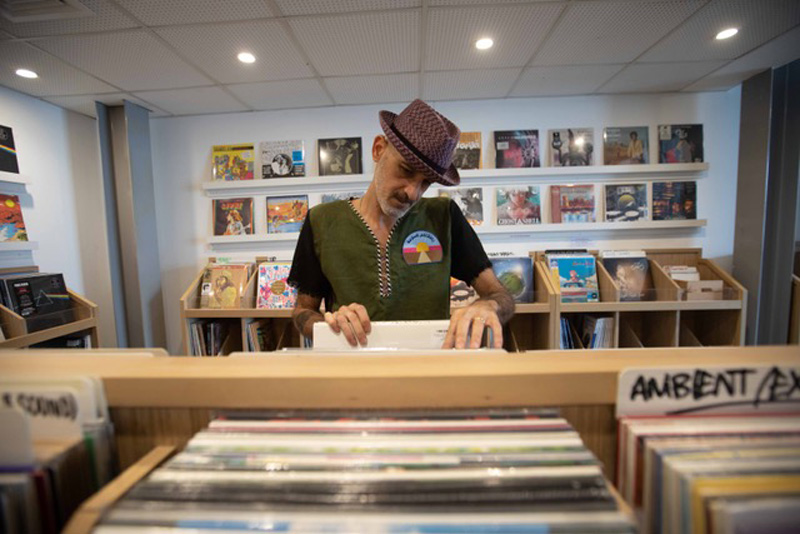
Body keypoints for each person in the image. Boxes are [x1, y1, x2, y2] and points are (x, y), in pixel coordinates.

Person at [288, 99, 514, 349]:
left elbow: (500, 294)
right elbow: (302, 312)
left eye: (426, 182)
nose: (413, 192)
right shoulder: (322, 221)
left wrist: (486, 305)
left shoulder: (444, 217)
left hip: (429, 373)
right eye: (406, 170)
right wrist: (330, 324)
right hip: (351, 373)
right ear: (378, 149)